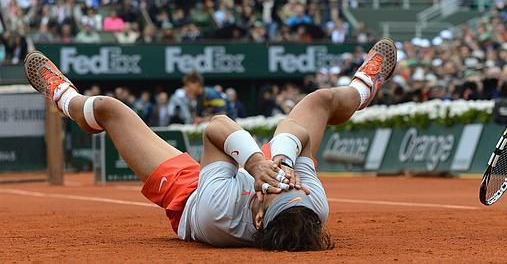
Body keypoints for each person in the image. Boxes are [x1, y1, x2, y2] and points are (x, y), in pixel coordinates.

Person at [23, 38, 397, 251]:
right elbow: (296, 130)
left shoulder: (218, 214)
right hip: (256, 176)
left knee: (107, 109)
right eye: (288, 184)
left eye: (271, 191)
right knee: (320, 100)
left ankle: (64, 97)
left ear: (256, 216)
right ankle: (364, 87)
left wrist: (253, 164)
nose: (281, 181)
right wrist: (281, 161)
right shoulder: (309, 202)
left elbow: (216, 128)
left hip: (193, 194)